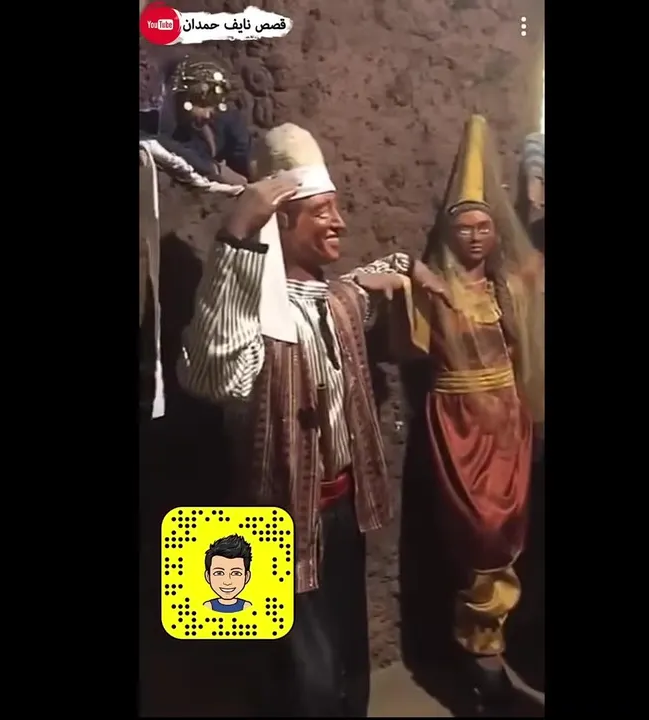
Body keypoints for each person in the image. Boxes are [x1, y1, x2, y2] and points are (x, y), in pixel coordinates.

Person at [176, 122, 451, 717]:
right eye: (322, 212)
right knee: (303, 682)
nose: (340, 223)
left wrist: (410, 267)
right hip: (272, 522)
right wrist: (236, 235)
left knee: (348, 663)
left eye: (337, 208)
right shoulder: (254, 318)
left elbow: (363, 282)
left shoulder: (336, 300)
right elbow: (212, 377)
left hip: (340, 512)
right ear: (282, 222)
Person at [405, 115, 546, 710]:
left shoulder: (507, 287)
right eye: (464, 227)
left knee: (510, 527)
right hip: (459, 420)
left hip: (507, 418)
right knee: (478, 530)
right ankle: (475, 643)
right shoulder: (430, 287)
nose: (476, 236)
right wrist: (409, 277)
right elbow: (407, 336)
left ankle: (493, 642)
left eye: (485, 226)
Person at [160, 56, 251, 186]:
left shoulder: (228, 119)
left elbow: (242, 165)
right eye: (201, 105)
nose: (207, 115)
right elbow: (158, 144)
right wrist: (213, 169)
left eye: (212, 106)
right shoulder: (163, 118)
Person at [202, 534, 255, 613]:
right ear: (208, 576)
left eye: (236, 573)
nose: (227, 582)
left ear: (246, 577)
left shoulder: (247, 606)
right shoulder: (208, 606)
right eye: (219, 573)